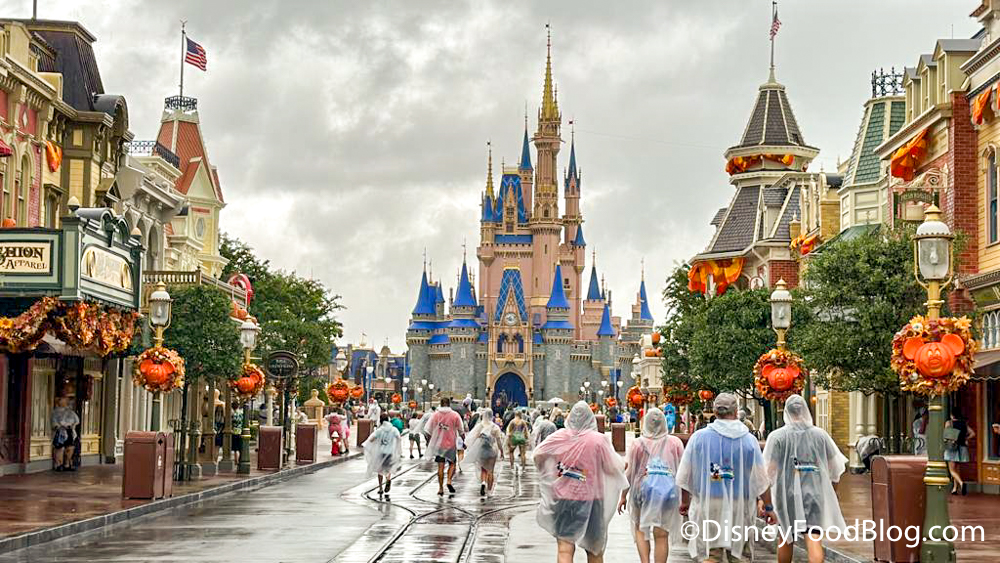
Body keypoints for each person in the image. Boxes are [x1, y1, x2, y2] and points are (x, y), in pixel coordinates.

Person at [677, 393, 774, 562]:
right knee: (740, 555)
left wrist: (685, 502)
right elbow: (761, 479)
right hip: (740, 505)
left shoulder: (699, 438)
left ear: (715, 412)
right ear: (736, 412)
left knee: (711, 552)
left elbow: (686, 474)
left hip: (709, 504)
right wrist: (769, 507)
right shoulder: (749, 441)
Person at [534, 401, 627, 563]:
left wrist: (549, 471)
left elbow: (538, 454)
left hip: (563, 499)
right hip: (592, 501)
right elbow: (614, 467)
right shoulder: (599, 440)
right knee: (594, 550)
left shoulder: (559, 436)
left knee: (564, 549)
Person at [763, 395, 848, 563]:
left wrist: (765, 500)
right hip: (814, 494)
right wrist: (834, 490)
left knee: (785, 539)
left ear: (786, 412)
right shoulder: (820, 435)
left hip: (785, 496)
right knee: (813, 537)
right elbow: (835, 466)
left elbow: (768, 471)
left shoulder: (777, 437)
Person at [617, 408, 684, 563]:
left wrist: (623, 496)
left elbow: (630, 472)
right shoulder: (675, 443)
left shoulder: (637, 444)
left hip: (642, 491)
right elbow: (682, 470)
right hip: (668, 492)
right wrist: (685, 497)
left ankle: (645, 561)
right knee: (662, 534)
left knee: (641, 528)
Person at [425, 397, 465, 496]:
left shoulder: (435, 415)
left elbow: (428, 430)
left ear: (441, 404)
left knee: (440, 467)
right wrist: (464, 440)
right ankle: (449, 481)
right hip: (450, 444)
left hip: (439, 445)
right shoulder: (455, 415)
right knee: (452, 464)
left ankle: (440, 488)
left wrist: (429, 442)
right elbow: (461, 430)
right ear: (449, 404)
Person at [464, 407, 505, 496]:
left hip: (482, 449)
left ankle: (483, 483)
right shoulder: (495, 427)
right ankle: (489, 492)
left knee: (483, 468)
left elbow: (473, 437)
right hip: (492, 450)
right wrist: (501, 451)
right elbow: (499, 441)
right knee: (491, 470)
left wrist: (470, 447)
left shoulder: (480, 426)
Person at [363, 413, 402, 497]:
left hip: (381, 452)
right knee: (388, 469)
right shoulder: (394, 429)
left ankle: (380, 488)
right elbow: (399, 437)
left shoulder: (379, 430)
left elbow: (371, 439)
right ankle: (388, 479)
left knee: (380, 470)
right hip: (390, 452)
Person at [945, 409, 975, 495]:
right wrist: (965, 438)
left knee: (952, 470)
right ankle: (954, 489)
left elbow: (946, 434)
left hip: (952, 448)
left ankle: (961, 483)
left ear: (952, 415)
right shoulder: (963, 423)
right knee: (956, 469)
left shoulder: (949, 423)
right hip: (962, 448)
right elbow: (973, 433)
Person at [51, 396, 79, 472]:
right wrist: (58, 426)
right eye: (62, 400)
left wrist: (73, 425)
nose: (64, 402)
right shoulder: (55, 411)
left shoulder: (70, 411)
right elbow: (54, 422)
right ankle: (59, 464)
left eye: (65, 400)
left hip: (69, 430)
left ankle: (67, 463)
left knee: (69, 448)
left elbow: (76, 420)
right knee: (59, 448)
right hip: (60, 431)